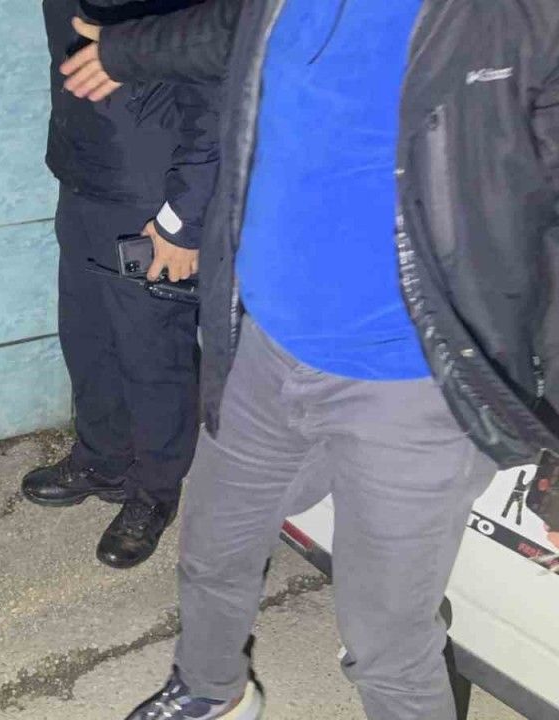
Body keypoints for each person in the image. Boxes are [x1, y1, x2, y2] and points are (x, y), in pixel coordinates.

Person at [59, 1, 559, 718]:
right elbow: (231, 29)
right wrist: (123, 52)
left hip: (410, 387)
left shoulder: (518, 17)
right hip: (263, 352)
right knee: (213, 552)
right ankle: (212, 690)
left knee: (387, 644)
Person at [21, 0, 217, 570]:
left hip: (151, 192)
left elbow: (216, 84)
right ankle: (102, 458)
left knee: (153, 353)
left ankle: (155, 490)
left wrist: (185, 218)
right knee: (86, 336)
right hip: (84, 173)